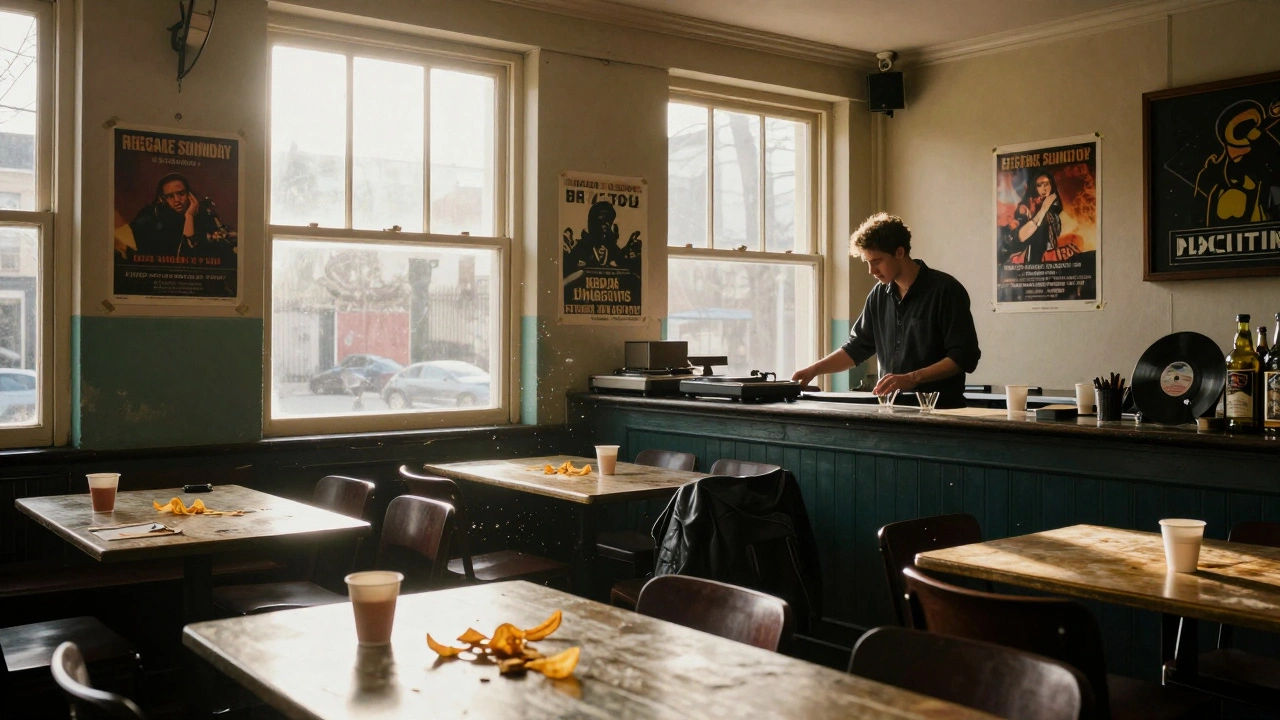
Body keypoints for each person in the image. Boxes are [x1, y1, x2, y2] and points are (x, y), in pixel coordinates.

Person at [791, 212, 981, 409]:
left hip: (942, 413)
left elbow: (965, 357)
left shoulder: (946, 291)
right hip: (891, 411)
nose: (871, 271)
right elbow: (857, 347)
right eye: (867, 263)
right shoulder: (879, 295)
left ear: (900, 252)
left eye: (877, 261)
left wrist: (912, 378)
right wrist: (815, 369)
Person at [127, 173, 235, 262]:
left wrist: (189, 216)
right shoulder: (154, 217)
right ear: (162, 199)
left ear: (190, 194)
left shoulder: (205, 215)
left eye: (181, 193)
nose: (177, 200)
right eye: (170, 196)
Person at [1007, 172, 1074, 263]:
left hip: (1048, 260)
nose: (1044, 188)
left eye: (1046, 184)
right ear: (1035, 188)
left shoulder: (1053, 211)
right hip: (1029, 261)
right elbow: (1020, 237)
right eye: (1039, 185)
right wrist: (1043, 208)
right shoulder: (1025, 207)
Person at [563, 200, 641, 276]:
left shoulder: (612, 248)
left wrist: (631, 254)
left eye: (609, 221)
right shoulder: (581, 247)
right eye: (601, 221)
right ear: (592, 223)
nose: (606, 225)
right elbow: (567, 270)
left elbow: (624, 263)